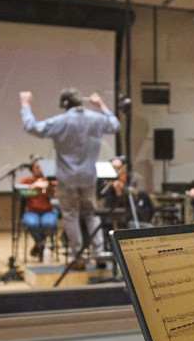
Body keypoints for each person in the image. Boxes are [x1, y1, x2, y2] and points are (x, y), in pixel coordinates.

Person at [20, 88, 120, 269]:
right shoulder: (95, 118)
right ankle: (99, 254)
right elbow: (115, 125)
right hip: (88, 176)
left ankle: (78, 257)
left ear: (64, 105)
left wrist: (25, 103)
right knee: (91, 214)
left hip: (67, 178)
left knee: (71, 216)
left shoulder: (61, 121)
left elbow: (32, 127)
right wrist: (101, 105)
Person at [18, 159, 57, 260]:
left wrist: (47, 188)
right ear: (32, 168)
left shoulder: (49, 181)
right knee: (32, 224)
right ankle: (41, 244)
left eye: (41, 167)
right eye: (37, 167)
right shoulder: (26, 181)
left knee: (48, 223)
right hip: (31, 211)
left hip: (47, 211)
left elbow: (54, 195)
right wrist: (33, 187)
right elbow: (23, 194)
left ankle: (39, 246)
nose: (40, 169)